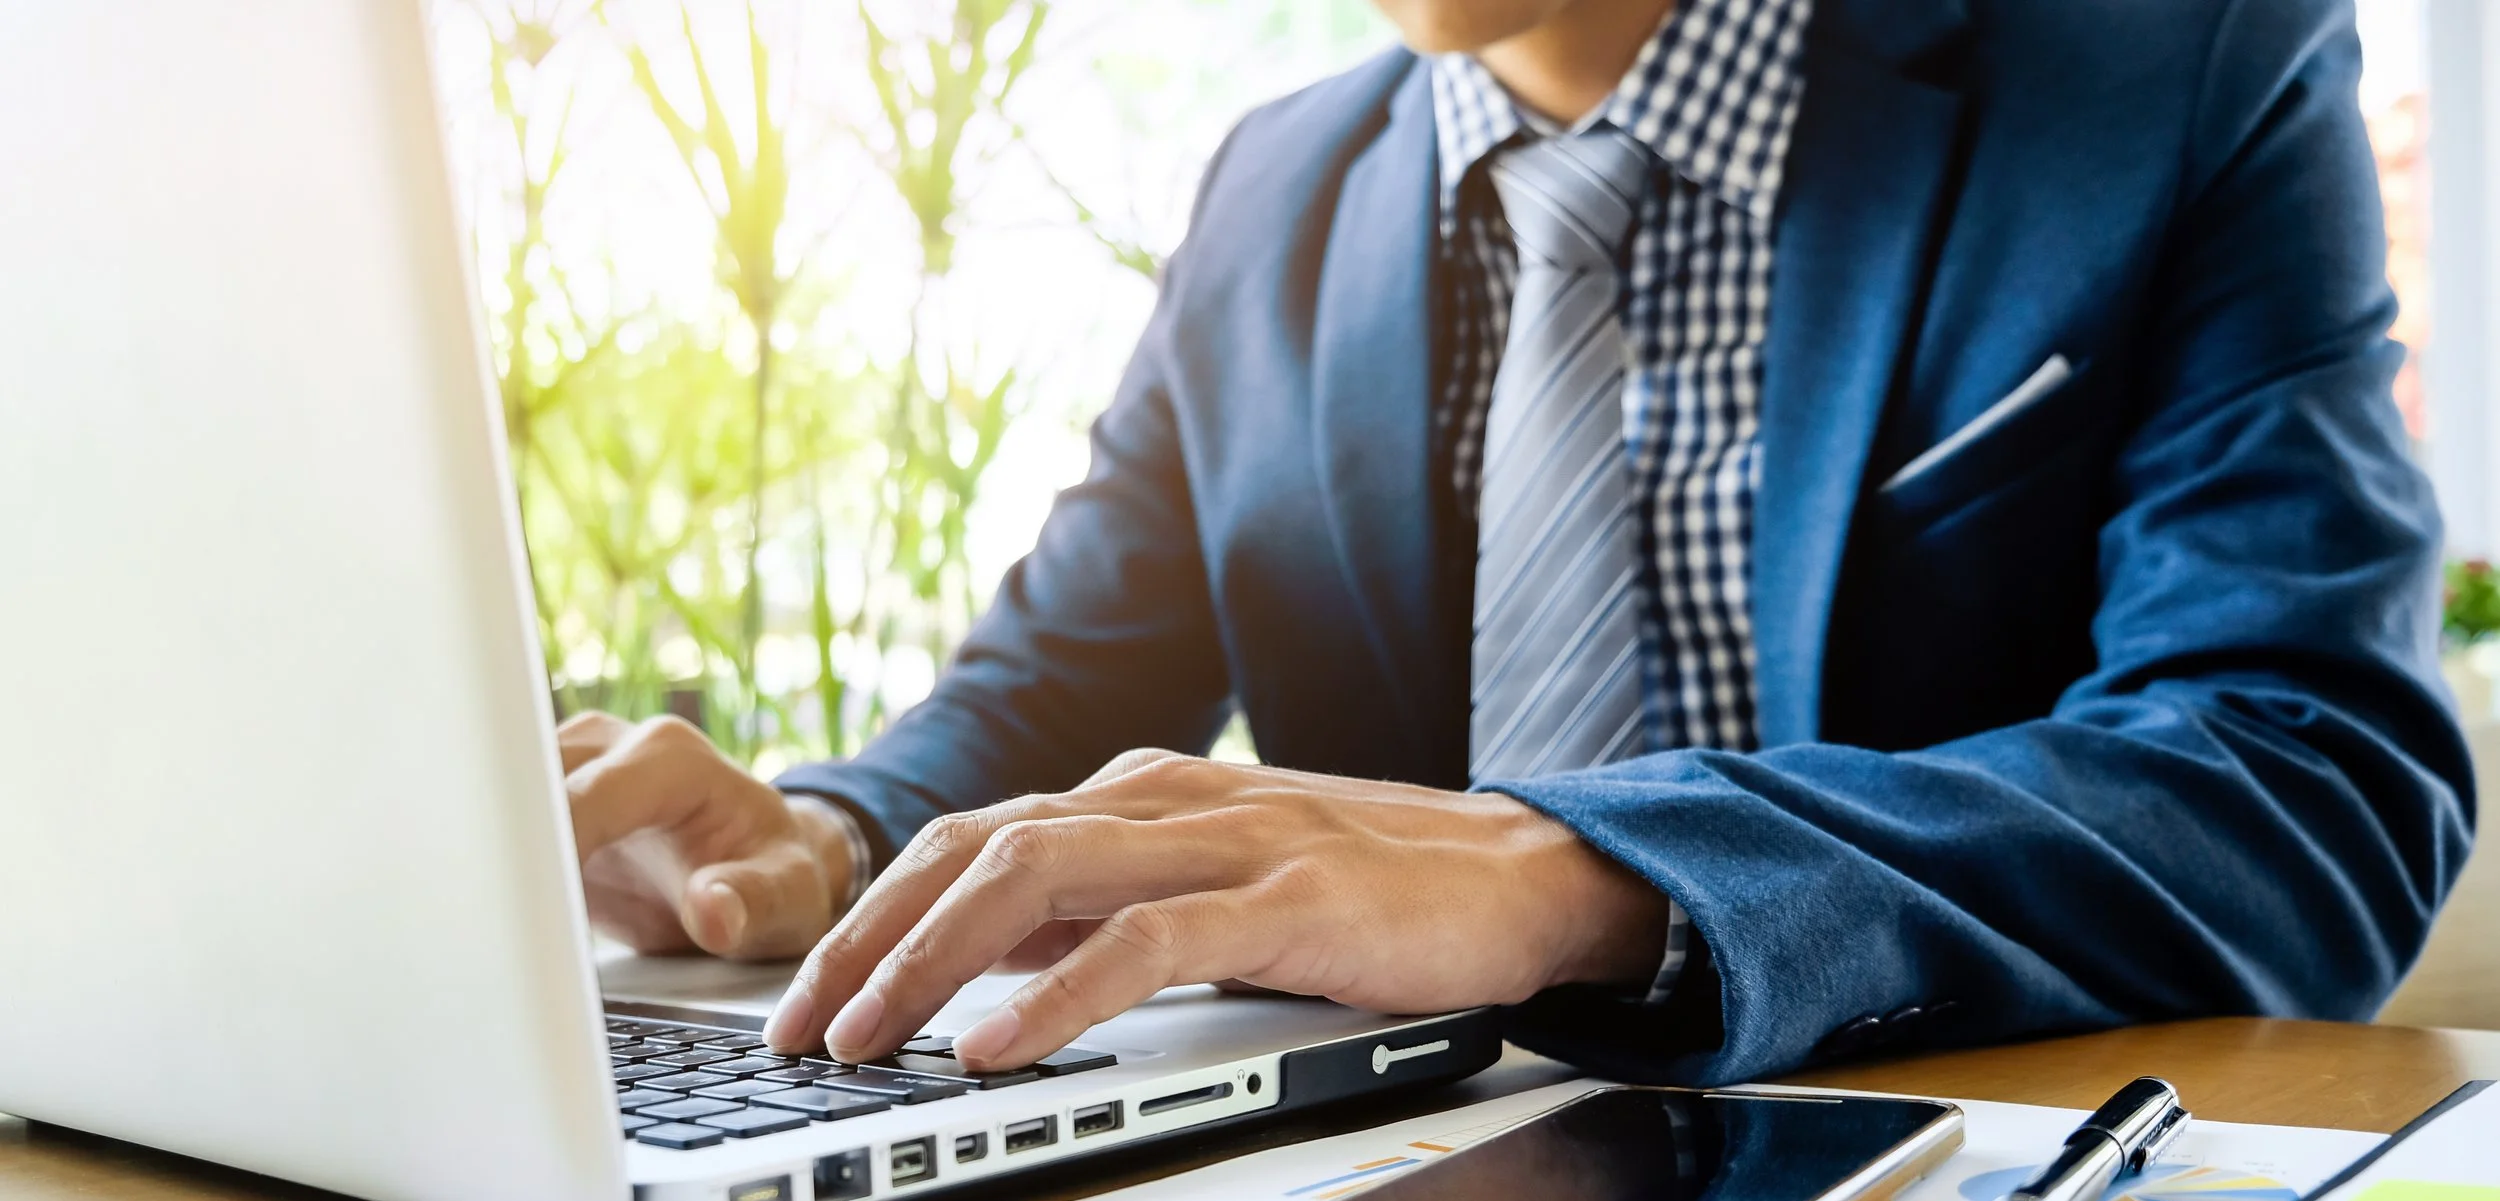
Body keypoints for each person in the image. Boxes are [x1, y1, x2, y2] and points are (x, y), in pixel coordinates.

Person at [559, 0, 2475, 1086]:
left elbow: (2306, 778)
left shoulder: (2181, 69)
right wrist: (828, 839)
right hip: (1367, 1200)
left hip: (1965, 1188)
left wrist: (1595, 871)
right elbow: (1057, 678)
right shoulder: (1270, 189)